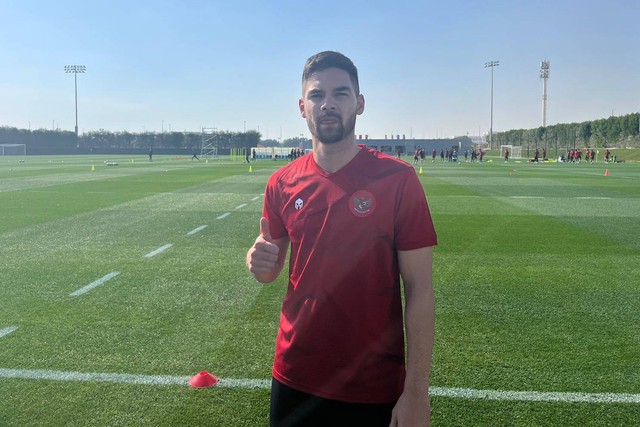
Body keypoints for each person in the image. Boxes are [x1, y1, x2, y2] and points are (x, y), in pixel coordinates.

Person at [246, 51, 437, 427]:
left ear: (359, 103)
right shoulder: (281, 183)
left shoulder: (398, 180)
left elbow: (420, 290)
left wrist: (416, 392)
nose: (328, 104)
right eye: (317, 95)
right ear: (302, 107)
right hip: (294, 373)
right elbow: (269, 269)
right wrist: (257, 261)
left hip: (372, 383)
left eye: (341, 94)